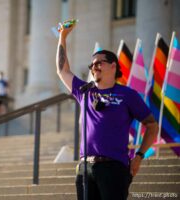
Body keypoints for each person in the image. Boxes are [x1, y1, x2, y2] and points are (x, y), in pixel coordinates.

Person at [56, 23, 158, 200]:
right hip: (85, 169)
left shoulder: (127, 94)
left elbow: (152, 126)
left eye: (99, 63)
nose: (94, 67)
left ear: (113, 66)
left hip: (114, 168)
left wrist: (139, 156)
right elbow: (62, 70)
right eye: (92, 64)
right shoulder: (85, 91)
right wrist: (63, 37)